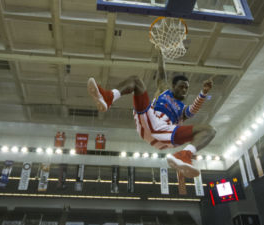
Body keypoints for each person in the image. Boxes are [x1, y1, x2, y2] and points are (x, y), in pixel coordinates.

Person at [87, 52, 216, 178]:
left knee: (209, 130)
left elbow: (193, 110)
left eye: (186, 88)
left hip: (165, 133)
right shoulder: (164, 91)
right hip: (149, 121)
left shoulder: (183, 109)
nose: (184, 90)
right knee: (136, 80)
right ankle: (108, 98)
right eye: (181, 86)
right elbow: (161, 71)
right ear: (173, 86)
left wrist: (203, 93)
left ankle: (185, 154)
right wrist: (160, 50)